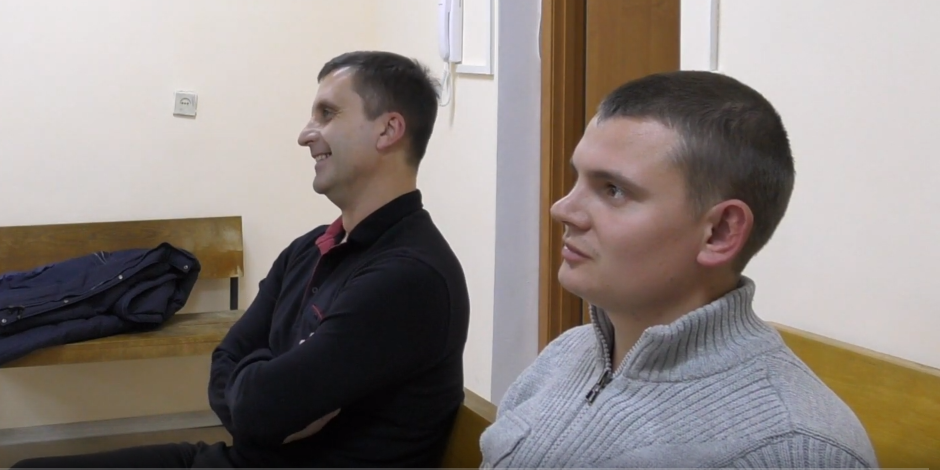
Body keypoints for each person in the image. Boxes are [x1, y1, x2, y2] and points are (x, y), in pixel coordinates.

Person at [13, 51, 470, 468]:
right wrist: (269, 387)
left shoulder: (409, 276)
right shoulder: (310, 247)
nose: (304, 135)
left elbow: (260, 410)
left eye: (327, 114)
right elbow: (229, 362)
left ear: (388, 130)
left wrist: (265, 386)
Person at [479, 71, 878, 468]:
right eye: (577, 178)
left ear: (719, 232)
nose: (562, 209)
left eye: (613, 190)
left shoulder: (795, 447)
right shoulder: (565, 355)